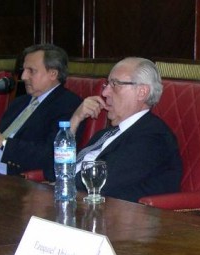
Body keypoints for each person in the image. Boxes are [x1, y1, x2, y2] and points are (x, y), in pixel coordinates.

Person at [68, 57, 182, 202]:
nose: (105, 93)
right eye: (107, 84)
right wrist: (75, 120)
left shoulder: (153, 137)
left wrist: (61, 182)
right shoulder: (106, 134)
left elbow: (99, 184)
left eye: (115, 84)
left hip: (119, 217)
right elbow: (51, 169)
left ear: (142, 92)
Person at [0, 44, 81, 179]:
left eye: (31, 71)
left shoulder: (68, 105)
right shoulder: (19, 102)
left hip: (18, 185)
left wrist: (2, 143)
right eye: (24, 70)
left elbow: (50, 155)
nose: (24, 76)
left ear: (53, 74)